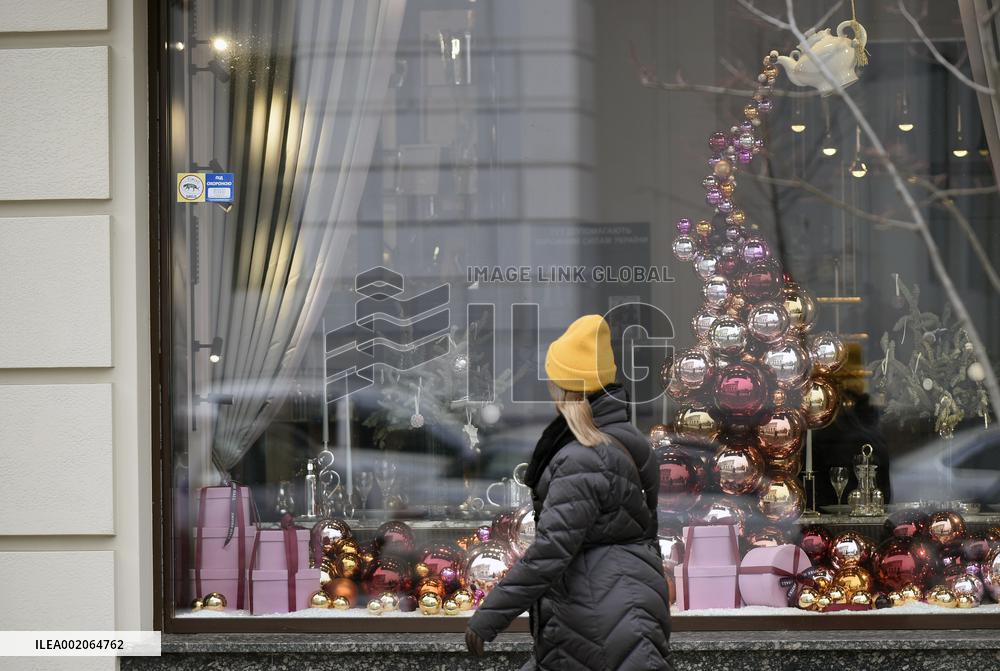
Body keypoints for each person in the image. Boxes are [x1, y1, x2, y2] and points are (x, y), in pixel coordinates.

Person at [465, 315, 673, 670]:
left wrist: (489, 618)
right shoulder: (625, 441)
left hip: (599, 618)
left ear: (569, 389)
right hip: (620, 607)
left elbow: (550, 551)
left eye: (554, 381)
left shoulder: (584, 457)